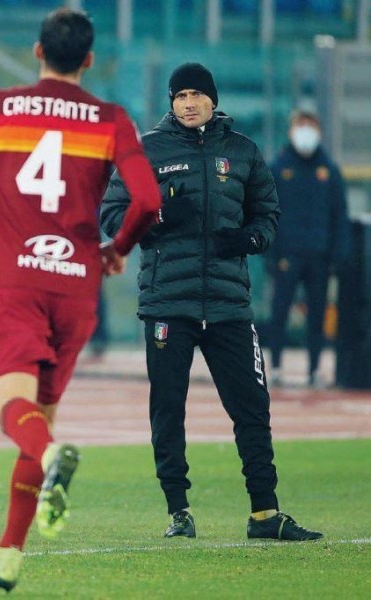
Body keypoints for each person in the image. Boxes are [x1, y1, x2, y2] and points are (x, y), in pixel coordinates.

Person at [0, 8, 161, 591]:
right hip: (77, 280)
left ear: (38, 52)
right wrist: (117, 248)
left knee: (10, 408)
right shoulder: (111, 120)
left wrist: (6, 207)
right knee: (40, 416)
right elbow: (148, 201)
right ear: (89, 59)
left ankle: (54, 457)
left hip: (15, 274)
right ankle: (8, 554)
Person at [100, 62, 323, 545]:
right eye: (181, 95)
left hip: (228, 305)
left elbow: (268, 213)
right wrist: (156, 214)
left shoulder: (242, 151)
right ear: (171, 101)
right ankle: (178, 511)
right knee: (168, 409)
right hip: (168, 303)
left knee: (252, 407)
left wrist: (249, 239)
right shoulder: (147, 150)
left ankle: (265, 514)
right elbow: (112, 214)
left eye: (198, 94)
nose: (189, 103)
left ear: (213, 99)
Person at [267, 107, 351, 388]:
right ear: (291, 130)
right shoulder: (278, 168)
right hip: (287, 255)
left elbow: (340, 215)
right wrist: (271, 254)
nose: (305, 131)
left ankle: (315, 369)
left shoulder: (329, 171)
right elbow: (267, 213)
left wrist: (339, 254)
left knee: (317, 316)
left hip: (319, 255)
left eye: (310, 124)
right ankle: (275, 366)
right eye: (300, 124)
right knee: (279, 312)